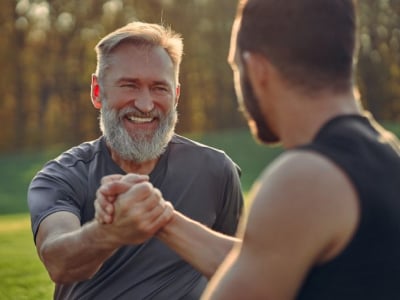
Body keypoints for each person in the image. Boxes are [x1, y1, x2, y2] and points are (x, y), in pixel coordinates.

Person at [27, 21, 243, 300]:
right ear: (97, 91)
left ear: (176, 95)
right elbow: (57, 260)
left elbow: (244, 268)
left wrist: (155, 216)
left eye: (159, 88)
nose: (145, 104)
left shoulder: (216, 170)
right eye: (129, 85)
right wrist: (110, 232)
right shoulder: (62, 176)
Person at [201, 0, 400, 299]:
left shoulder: (304, 180)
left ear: (257, 70)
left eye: (236, 67)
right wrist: (164, 219)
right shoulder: (387, 154)